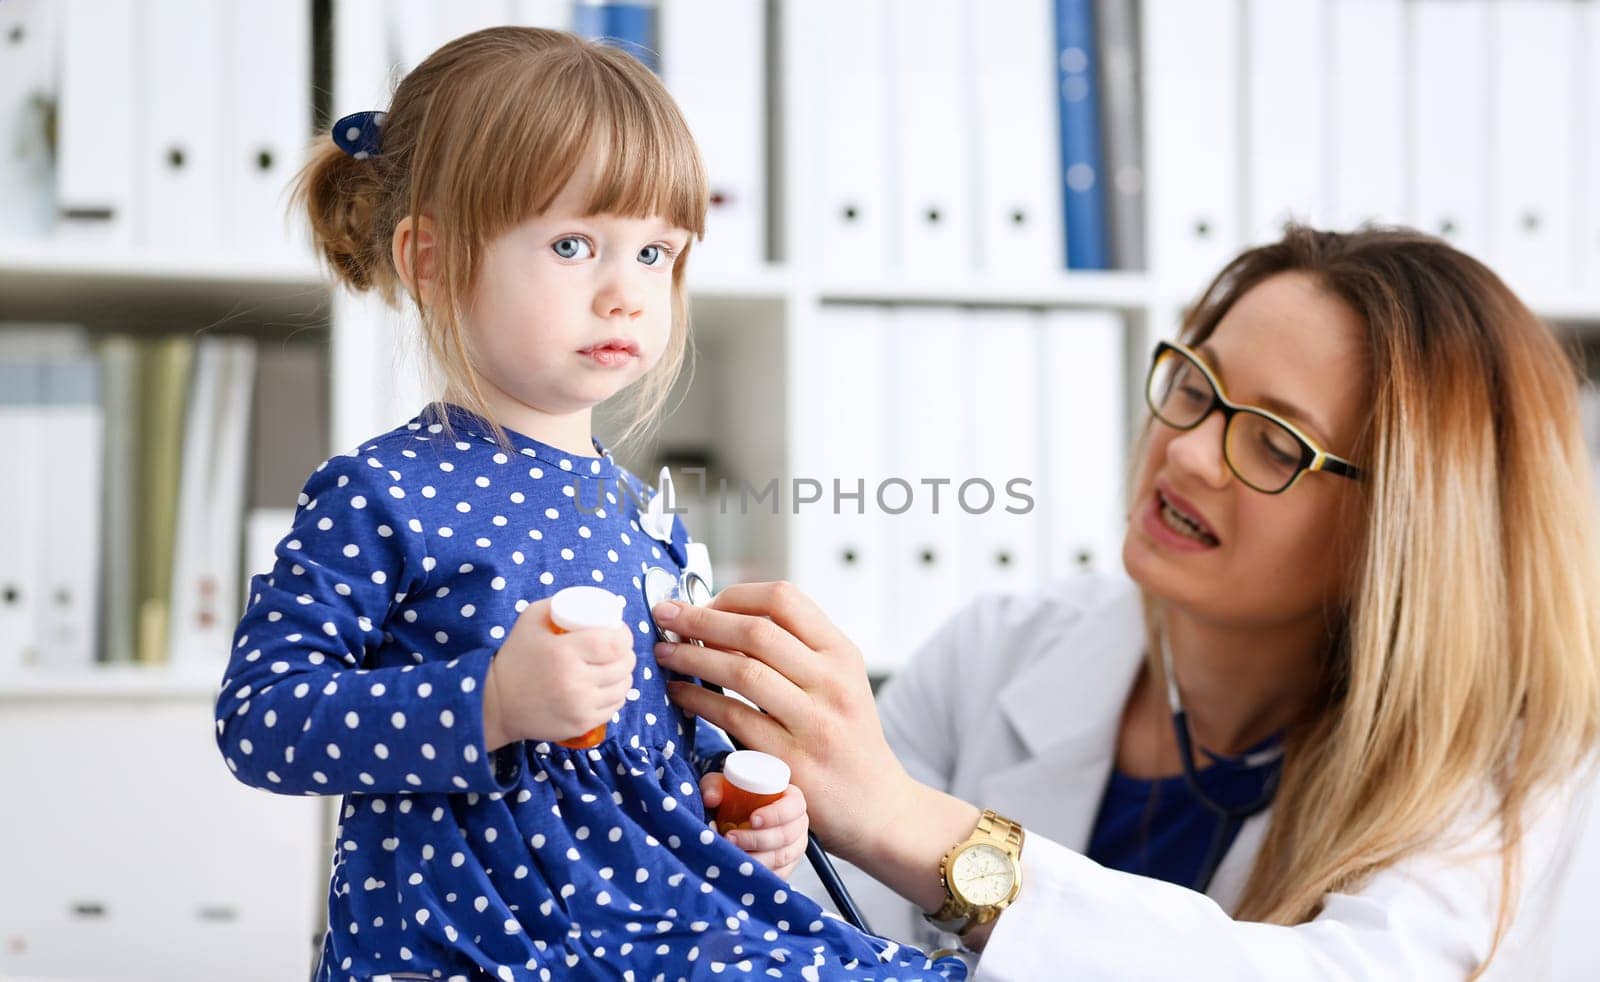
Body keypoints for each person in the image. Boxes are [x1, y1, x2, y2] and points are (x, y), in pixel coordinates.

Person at [214, 26, 965, 981]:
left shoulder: (639, 511)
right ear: (432, 259)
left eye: (657, 253)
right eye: (574, 245)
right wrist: (487, 702)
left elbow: (651, 752)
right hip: (483, 943)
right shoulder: (380, 492)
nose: (626, 295)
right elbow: (262, 719)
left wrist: (741, 815)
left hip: (649, 920)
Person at [657, 225, 1600, 979]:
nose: (1186, 450)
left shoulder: (1507, 774)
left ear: (1409, 528)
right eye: (1197, 386)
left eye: (1275, 445)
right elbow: (796, 942)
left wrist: (914, 827)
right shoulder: (995, 655)